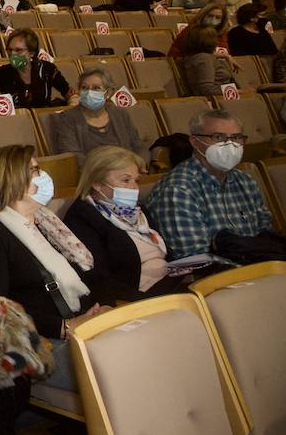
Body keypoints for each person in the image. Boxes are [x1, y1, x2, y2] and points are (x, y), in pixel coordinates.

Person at [0, 146, 110, 391]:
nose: (43, 175)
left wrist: (102, 307)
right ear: (9, 180)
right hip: (45, 341)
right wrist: (65, 327)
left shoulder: (46, 222)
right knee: (122, 367)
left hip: (85, 322)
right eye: (33, 170)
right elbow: (0, 307)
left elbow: (89, 274)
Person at [145, 110, 274, 260]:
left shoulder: (245, 181)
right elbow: (195, 259)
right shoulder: (178, 189)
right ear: (194, 142)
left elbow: (266, 234)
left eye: (236, 138)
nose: (229, 145)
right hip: (213, 278)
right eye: (218, 137)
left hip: (257, 268)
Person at [64, 146, 182, 299]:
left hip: (169, 281)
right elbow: (99, 279)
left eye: (136, 180)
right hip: (137, 297)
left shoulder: (138, 210)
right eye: (126, 180)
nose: (134, 187)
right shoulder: (83, 217)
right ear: (97, 183)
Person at [49, 67, 145, 165]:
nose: (89, 92)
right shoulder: (67, 118)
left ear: (108, 93)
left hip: (128, 172)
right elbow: (72, 155)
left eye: (96, 88)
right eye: (84, 88)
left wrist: (139, 164)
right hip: (93, 175)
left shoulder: (120, 114)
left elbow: (138, 145)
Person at [0, 28, 75, 108]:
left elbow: (69, 93)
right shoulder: (3, 72)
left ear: (32, 53)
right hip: (14, 123)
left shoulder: (47, 69)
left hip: (44, 121)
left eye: (18, 50)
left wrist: (73, 105)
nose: (13, 54)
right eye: (10, 50)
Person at [180, 25, 237, 97]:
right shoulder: (204, 59)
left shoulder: (198, 56)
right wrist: (236, 91)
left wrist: (226, 56)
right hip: (216, 99)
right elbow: (207, 89)